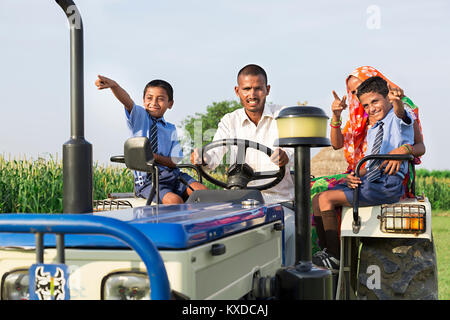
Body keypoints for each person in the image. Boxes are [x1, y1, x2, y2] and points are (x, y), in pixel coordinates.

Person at [309, 66, 426, 254]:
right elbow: (351, 152)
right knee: (316, 199)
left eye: (375, 101)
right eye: (364, 103)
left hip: (387, 181)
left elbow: (401, 116)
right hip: (367, 177)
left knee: (326, 199)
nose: (370, 108)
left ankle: (334, 256)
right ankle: (325, 252)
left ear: (388, 95)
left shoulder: (398, 115)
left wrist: (397, 102)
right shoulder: (371, 127)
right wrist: (354, 175)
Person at [190, 64, 296, 265]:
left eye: (258, 88)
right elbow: (212, 156)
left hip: (279, 202)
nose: (252, 94)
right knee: (221, 240)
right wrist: (202, 157)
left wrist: (285, 156)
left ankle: (286, 280)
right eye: (246, 89)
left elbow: (295, 151)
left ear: (267, 90)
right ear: (237, 91)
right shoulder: (230, 120)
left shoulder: (283, 116)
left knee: (284, 232)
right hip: (241, 202)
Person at [95, 75, 207, 204]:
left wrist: (154, 156)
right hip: (149, 180)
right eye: (149, 98)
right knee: (174, 201)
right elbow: (127, 101)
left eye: (160, 99)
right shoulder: (140, 117)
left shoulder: (170, 128)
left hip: (173, 176)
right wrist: (114, 86)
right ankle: (176, 223)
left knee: (202, 193)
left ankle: (196, 222)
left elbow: (173, 161)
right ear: (143, 100)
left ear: (170, 104)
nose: (153, 103)